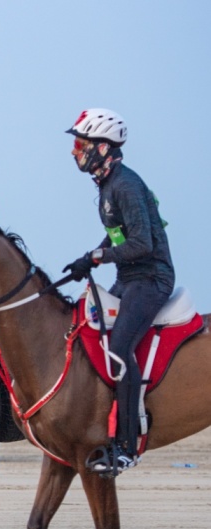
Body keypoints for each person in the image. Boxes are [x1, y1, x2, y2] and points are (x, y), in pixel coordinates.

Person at [62, 108, 175, 475]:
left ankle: (127, 447)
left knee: (120, 348)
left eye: (80, 143)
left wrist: (98, 256)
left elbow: (141, 243)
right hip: (128, 278)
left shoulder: (125, 185)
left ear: (103, 147)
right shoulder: (108, 184)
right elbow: (118, 235)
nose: (74, 151)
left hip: (151, 279)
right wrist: (88, 260)